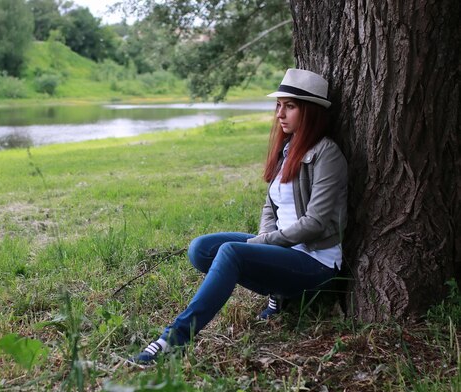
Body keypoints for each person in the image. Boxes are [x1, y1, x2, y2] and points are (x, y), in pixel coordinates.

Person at [130, 68, 348, 365]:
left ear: (310, 111)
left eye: (290, 106)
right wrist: (266, 242)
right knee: (201, 249)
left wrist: (265, 242)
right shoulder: (287, 150)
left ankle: (174, 338)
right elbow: (270, 207)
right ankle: (279, 292)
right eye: (278, 105)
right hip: (284, 249)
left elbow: (315, 223)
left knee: (231, 252)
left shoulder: (327, 154)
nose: (279, 114)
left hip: (315, 261)